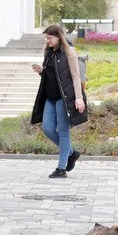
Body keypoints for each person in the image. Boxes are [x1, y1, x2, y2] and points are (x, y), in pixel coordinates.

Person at [28, 23, 87, 179]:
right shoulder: (49, 53)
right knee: (47, 129)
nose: (47, 41)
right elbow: (52, 75)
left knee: (63, 132)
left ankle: (61, 168)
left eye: (50, 38)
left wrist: (79, 98)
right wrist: (41, 71)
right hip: (50, 97)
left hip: (64, 98)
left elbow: (75, 77)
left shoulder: (70, 53)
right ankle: (71, 153)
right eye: (46, 38)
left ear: (59, 37)